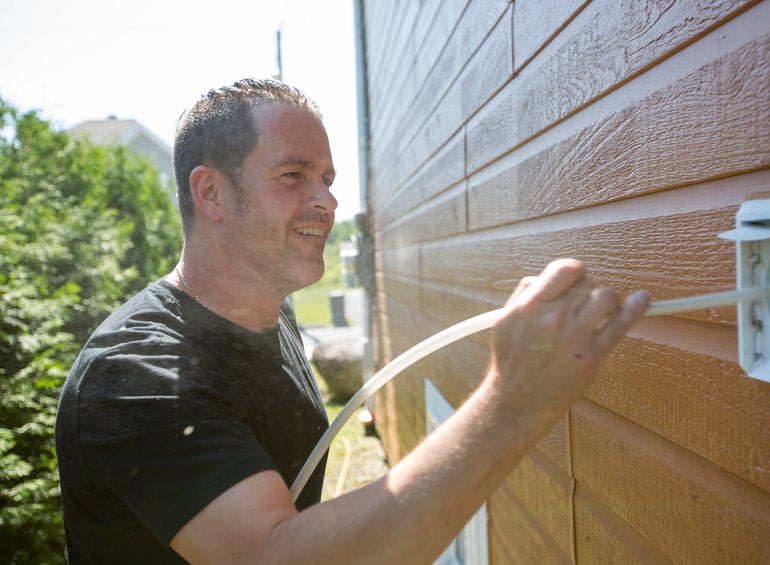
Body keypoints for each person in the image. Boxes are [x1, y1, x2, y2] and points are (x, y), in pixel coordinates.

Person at [55, 78, 650, 563]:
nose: (328, 201)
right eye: (294, 176)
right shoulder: (136, 374)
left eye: (328, 179)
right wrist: (515, 401)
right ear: (211, 192)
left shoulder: (269, 313)